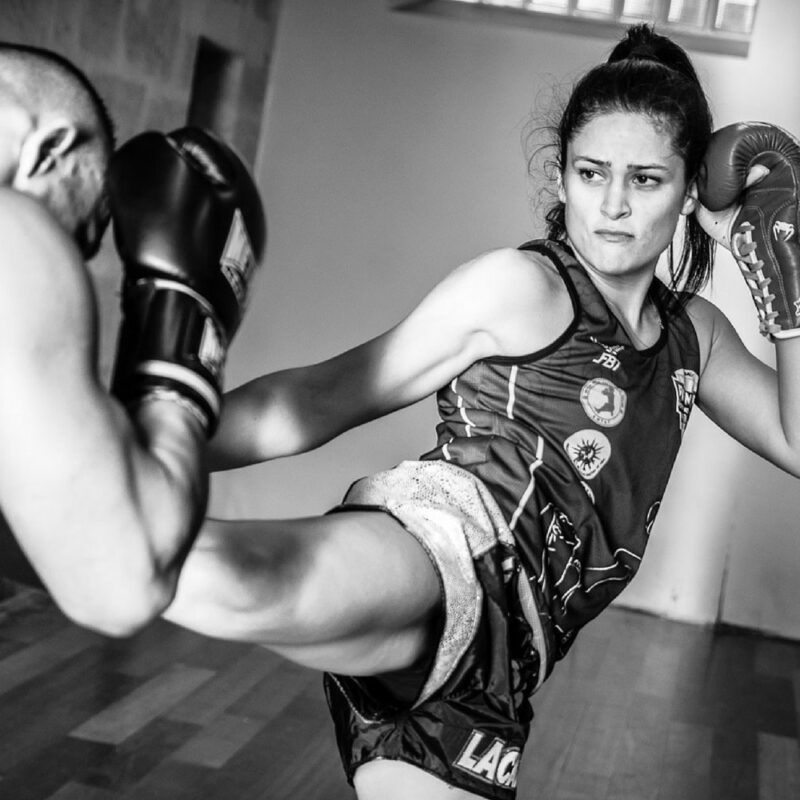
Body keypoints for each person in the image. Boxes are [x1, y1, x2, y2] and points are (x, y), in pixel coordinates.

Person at [167, 23, 797, 800]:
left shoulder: (695, 337)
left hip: (501, 678)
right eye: (591, 172)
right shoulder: (523, 288)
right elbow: (321, 397)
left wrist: (786, 273)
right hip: (450, 552)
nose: (612, 205)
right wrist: (157, 435)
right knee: (244, 580)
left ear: (691, 188)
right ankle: (65, 472)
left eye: (645, 180)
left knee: (200, 573)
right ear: (561, 175)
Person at [0, 43, 265, 634]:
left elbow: (36, 537)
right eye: (85, 230)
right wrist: (183, 321)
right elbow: (123, 583)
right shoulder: (11, 232)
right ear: (51, 149)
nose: (70, 253)